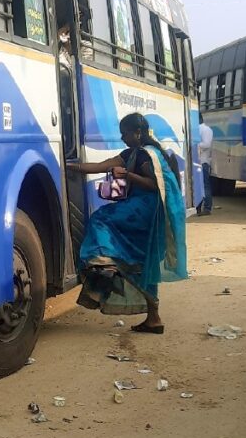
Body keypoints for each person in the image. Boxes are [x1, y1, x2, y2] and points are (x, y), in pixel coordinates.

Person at [66, 112, 188, 333]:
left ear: (138, 133)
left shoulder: (145, 156)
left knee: (101, 218)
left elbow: (153, 185)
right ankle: (154, 318)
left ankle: (105, 262)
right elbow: (102, 165)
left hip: (145, 208)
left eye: (125, 134)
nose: (122, 138)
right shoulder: (131, 153)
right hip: (144, 212)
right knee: (144, 264)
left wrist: (128, 176)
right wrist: (72, 166)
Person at [196, 114, 214, 215]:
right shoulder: (199, 129)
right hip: (198, 162)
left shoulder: (205, 129)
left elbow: (207, 144)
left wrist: (195, 145)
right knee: (199, 186)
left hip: (203, 162)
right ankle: (199, 207)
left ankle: (207, 208)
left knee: (205, 185)